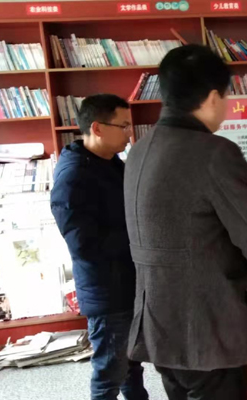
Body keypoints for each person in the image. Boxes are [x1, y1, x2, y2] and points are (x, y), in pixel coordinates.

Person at [123, 44, 247, 400]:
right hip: (210, 326)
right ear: (212, 98)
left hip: (159, 323)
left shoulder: (139, 150)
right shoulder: (214, 153)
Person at [51, 94, 148, 400]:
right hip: (107, 292)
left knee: (131, 366)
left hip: (127, 284)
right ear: (97, 128)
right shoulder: (74, 176)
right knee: (109, 373)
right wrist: (137, 235)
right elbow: (84, 245)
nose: (129, 132)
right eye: (123, 125)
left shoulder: (110, 162)